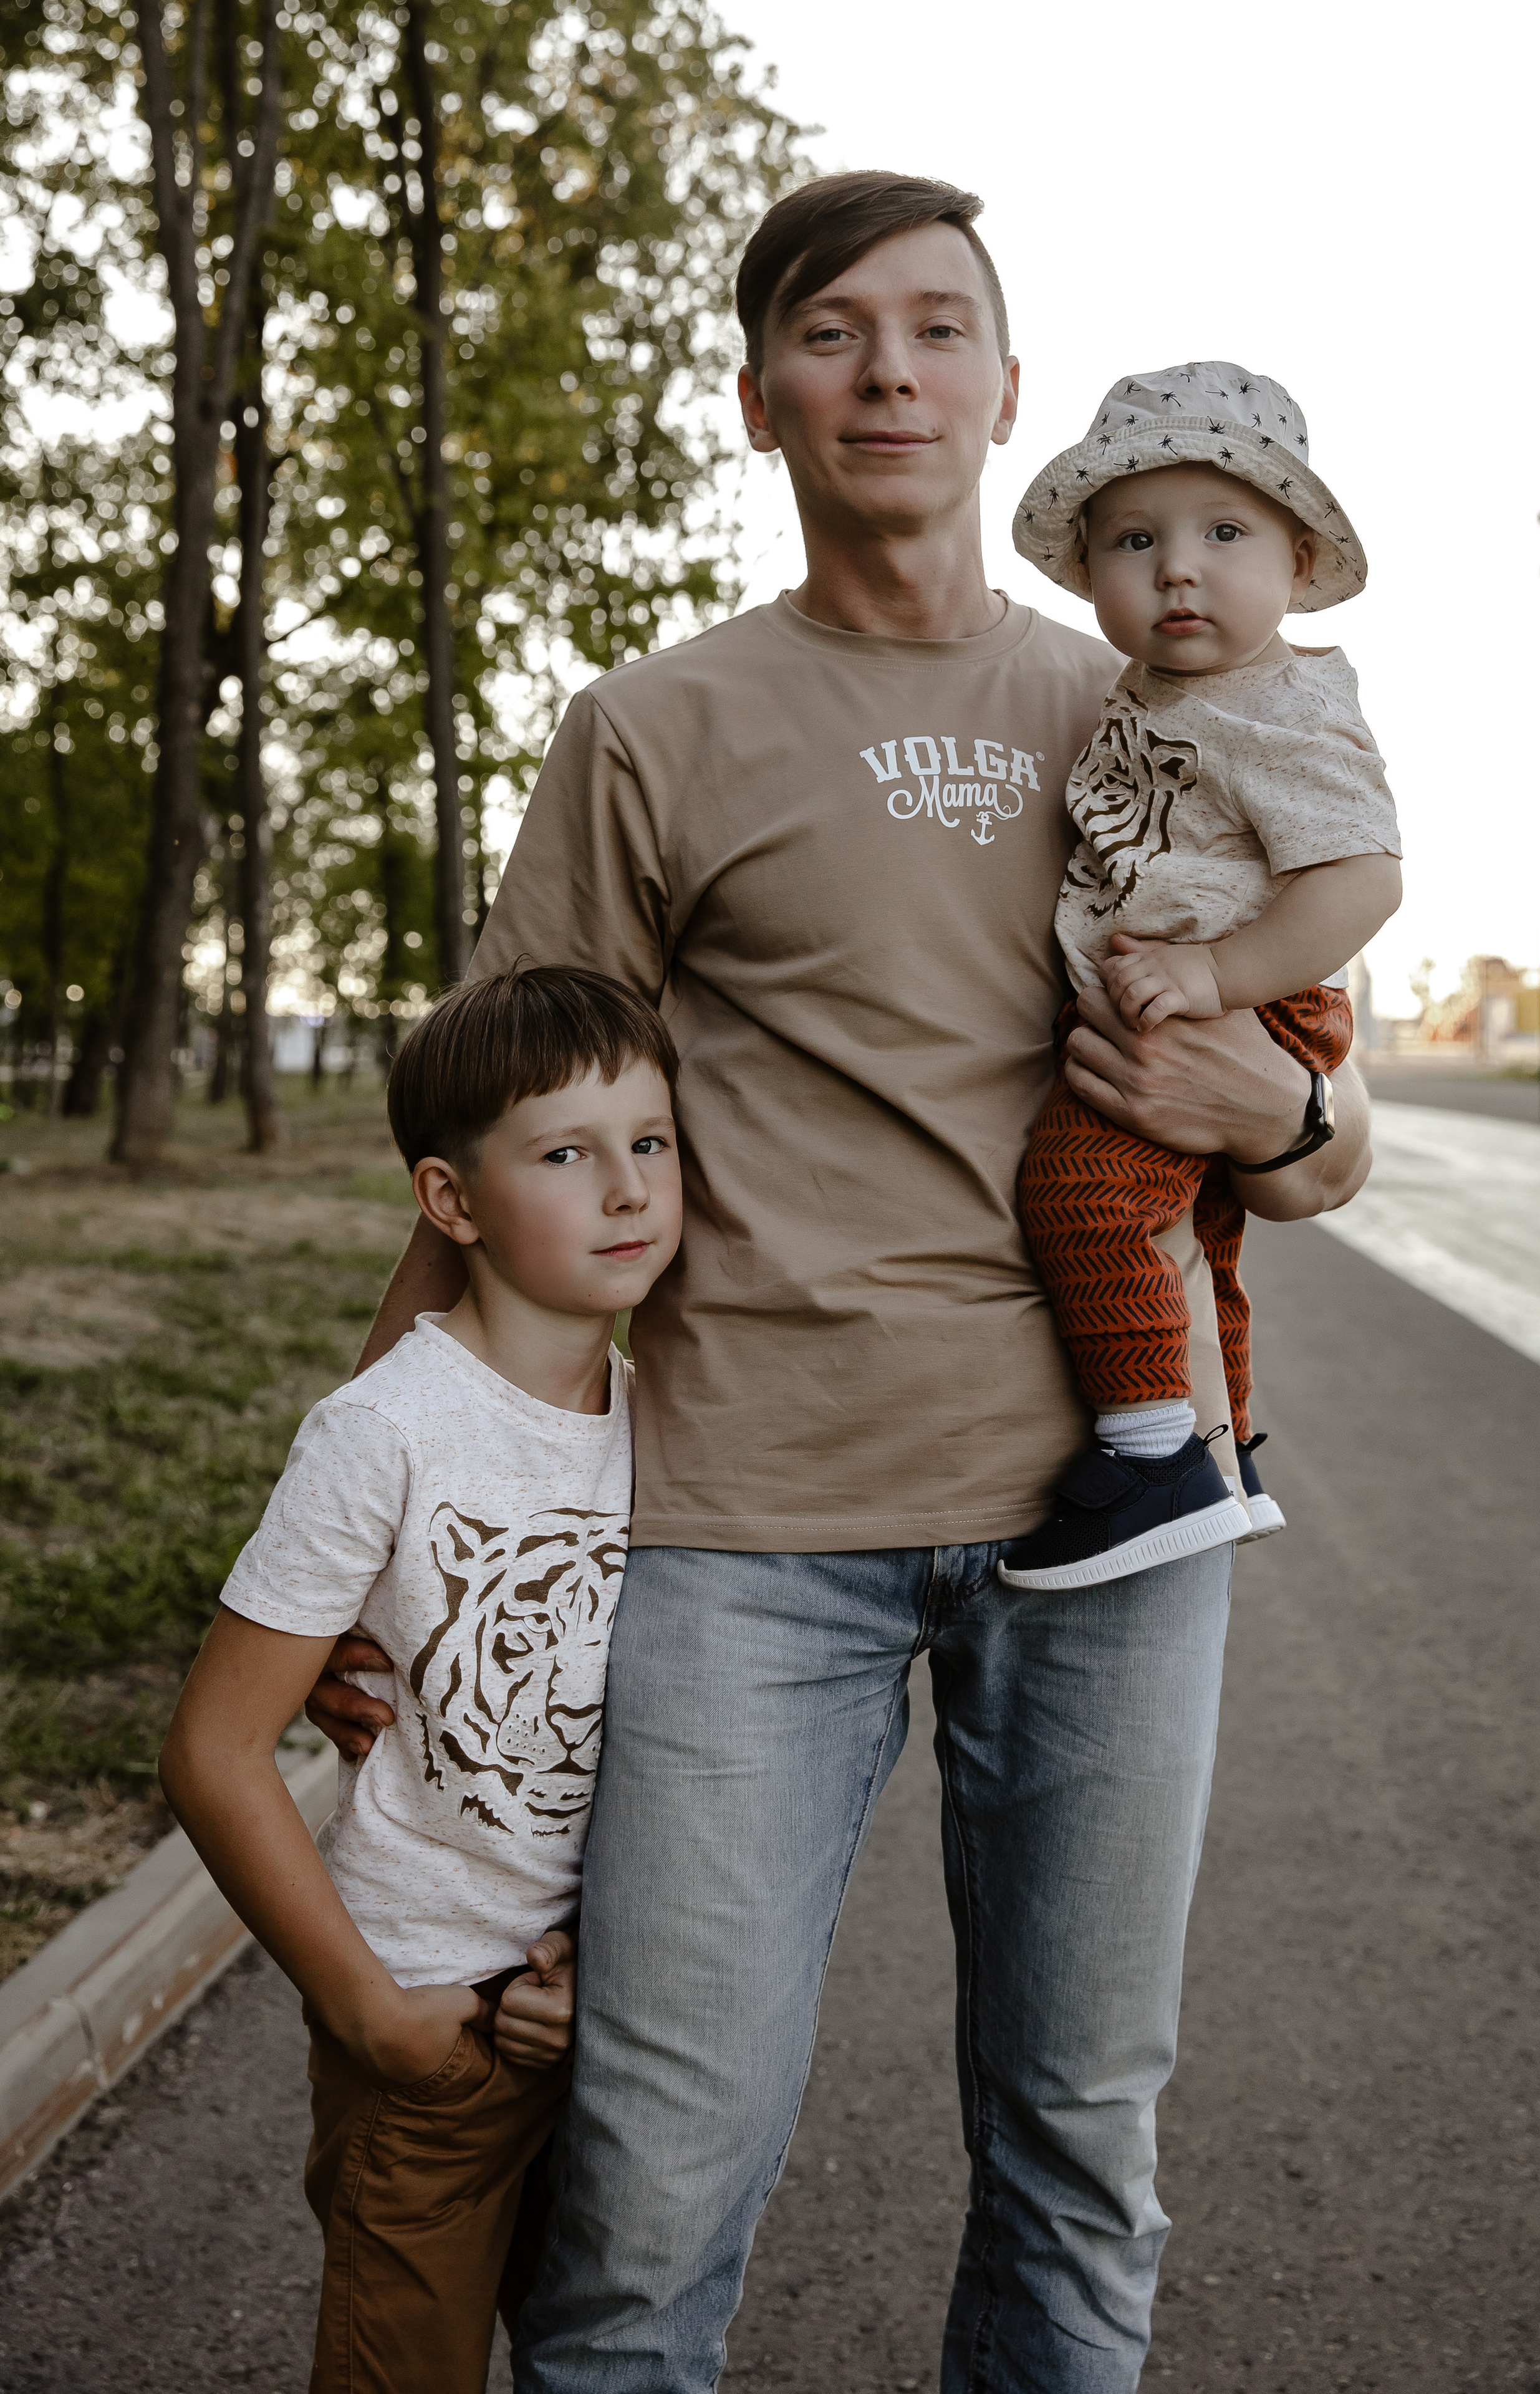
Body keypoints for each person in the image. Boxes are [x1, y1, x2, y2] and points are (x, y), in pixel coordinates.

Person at [307, 175, 1375, 2392]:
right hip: (739, 1531)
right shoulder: (656, 726)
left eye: (937, 328)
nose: (888, 369)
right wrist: (363, 1528)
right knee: (652, 2189)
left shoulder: (1163, 698)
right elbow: (494, 1149)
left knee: (1083, 2157)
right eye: (832, 332)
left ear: (1002, 390)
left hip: (1116, 1519)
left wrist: (1269, 1122)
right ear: (760, 398)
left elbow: (1314, 1134)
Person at [160, 966, 682, 2394]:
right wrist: (368, 2010)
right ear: (450, 1203)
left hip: (604, 2024)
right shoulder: (384, 1430)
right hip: (430, 2033)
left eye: (650, 1141)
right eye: (566, 1154)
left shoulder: (672, 1425)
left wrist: (606, 1966)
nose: (627, 1189)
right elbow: (213, 1751)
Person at [999, 364, 1402, 1592]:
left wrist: (1217, 975)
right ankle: (1227, 1460)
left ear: (1294, 558)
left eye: (1221, 531)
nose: (1176, 567)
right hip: (1189, 986)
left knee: (1079, 1189)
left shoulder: (1283, 705)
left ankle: (1147, 1458)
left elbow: (1361, 881)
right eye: (1134, 539)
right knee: (1198, 1241)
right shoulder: (1152, 691)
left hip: (1233, 998)